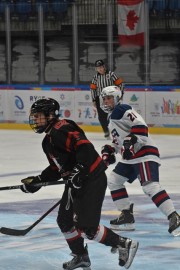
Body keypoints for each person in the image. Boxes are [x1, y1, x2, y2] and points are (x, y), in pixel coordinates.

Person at [20, 97, 139, 270]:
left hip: (92, 178)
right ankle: (81, 256)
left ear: (50, 115)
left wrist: (80, 169)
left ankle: (123, 243)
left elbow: (84, 147)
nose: (35, 120)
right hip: (76, 181)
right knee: (65, 221)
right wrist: (36, 182)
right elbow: (56, 169)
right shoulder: (48, 141)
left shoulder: (62, 129)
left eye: (38, 116)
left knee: (87, 227)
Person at [100, 86, 180, 237]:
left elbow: (141, 126)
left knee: (150, 186)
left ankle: (174, 216)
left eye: (109, 98)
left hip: (144, 153)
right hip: (130, 157)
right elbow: (119, 142)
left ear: (117, 98)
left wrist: (131, 141)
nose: (106, 101)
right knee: (114, 181)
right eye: (104, 99)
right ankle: (127, 216)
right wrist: (110, 150)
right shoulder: (110, 118)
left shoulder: (122, 109)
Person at [90, 59, 124, 139]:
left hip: (111, 98)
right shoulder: (95, 78)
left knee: (114, 114)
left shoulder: (111, 74)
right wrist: (94, 100)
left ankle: (118, 131)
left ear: (104, 67)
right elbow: (92, 89)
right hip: (100, 99)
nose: (100, 69)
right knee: (102, 117)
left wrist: (120, 94)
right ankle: (106, 131)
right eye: (98, 68)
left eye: (101, 67)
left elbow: (120, 84)